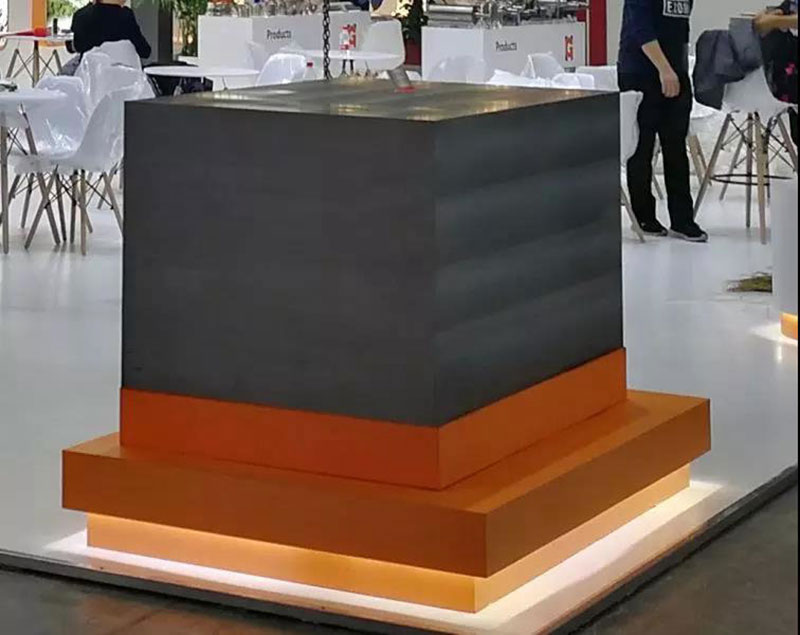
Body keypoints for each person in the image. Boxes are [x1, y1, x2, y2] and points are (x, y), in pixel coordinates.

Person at [618, 0, 708, 242]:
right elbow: (640, 29)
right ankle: (644, 216)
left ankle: (682, 219)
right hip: (640, 72)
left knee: (676, 146)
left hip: (675, 71)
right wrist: (664, 69)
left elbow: (680, 28)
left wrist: (677, 69)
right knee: (642, 146)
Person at [71, 0, 151, 60]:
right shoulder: (126, 16)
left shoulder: (80, 15)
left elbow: (78, 46)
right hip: (123, 74)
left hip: (90, 74)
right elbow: (145, 51)